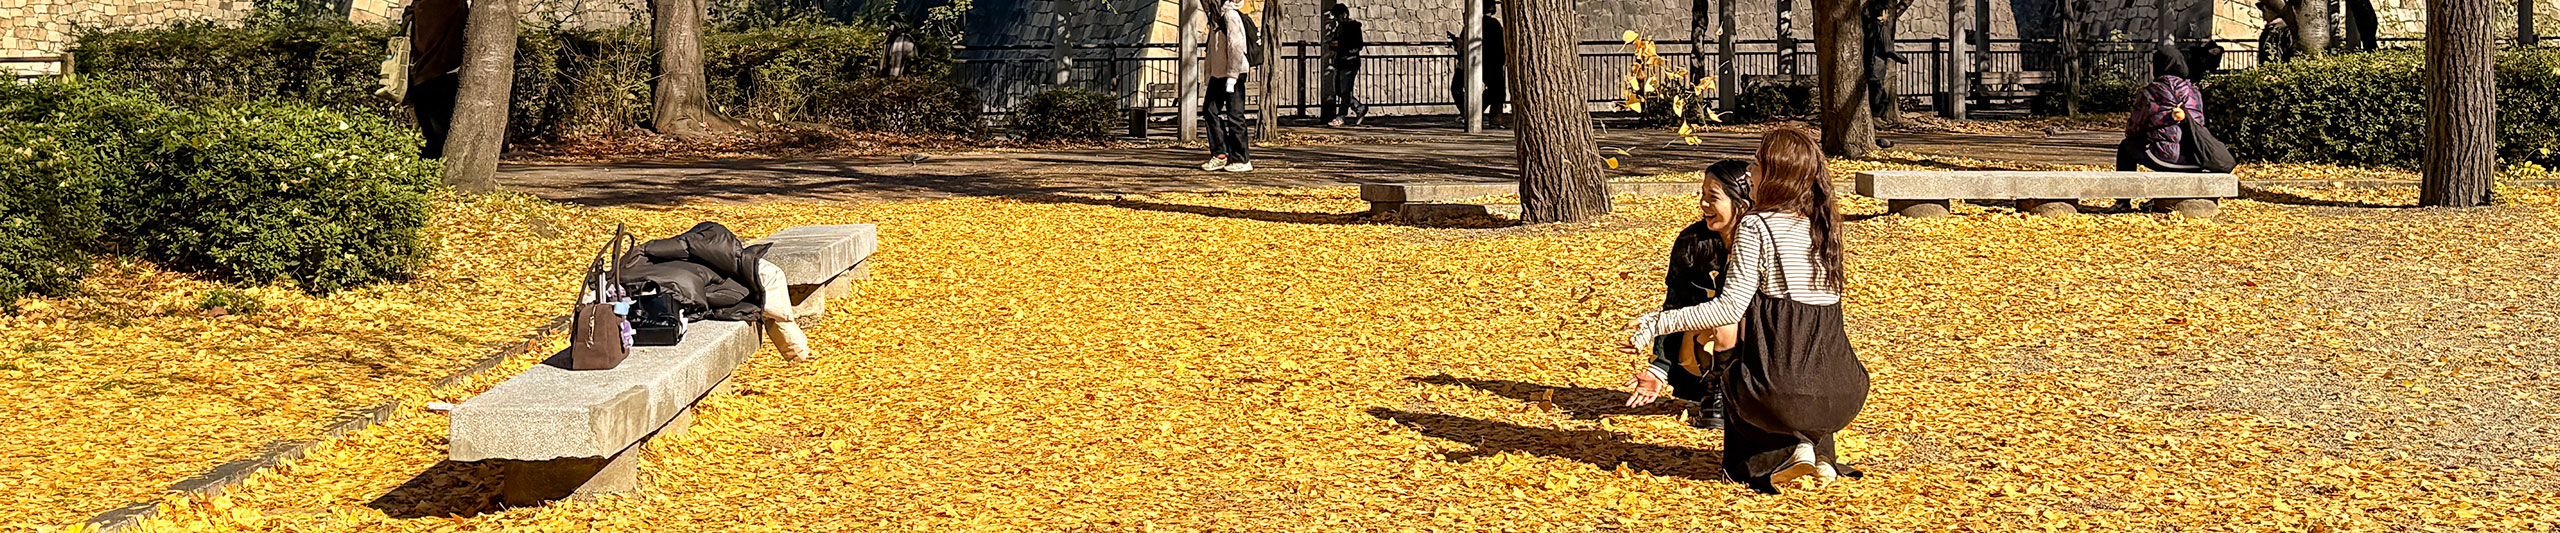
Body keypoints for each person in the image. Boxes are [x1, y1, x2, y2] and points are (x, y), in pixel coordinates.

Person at [1619, 128, 1869, 494]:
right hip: (1845, 390)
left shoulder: (1757, 224)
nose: (1750, 170)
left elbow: (1728, 307)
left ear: (1776, 173)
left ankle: (1780, 457)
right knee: (1792, 368)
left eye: (1757, 162)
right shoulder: (1823, 223)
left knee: (1738, 369)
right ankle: (1815, 453)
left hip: (1776, 394)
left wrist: (1655, 323)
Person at [1623, 160, 1755, 432]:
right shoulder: (1693, 242)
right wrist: (1660, 366)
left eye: (1713, 198)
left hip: (1758, 348)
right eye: (1702, 195)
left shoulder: (1762, 242)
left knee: (1731, 319)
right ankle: (1714, 393)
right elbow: (1676, 300)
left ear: (1741, 202)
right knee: (1719, 321)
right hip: (1702, 345)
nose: (1704, 205)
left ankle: (1748, 396)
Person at [2116, 45, 2208, 174]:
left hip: (2165, 159)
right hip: (2195, 158)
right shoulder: (2194, 92)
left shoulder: (2150, 92)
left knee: (2126, 147)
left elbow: (2134, 129)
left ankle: (2125, 192)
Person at [405, 0, 468, 159]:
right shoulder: (454, 5)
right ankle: (434, 171)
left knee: (429, 133)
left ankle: (426, 172)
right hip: (443, 73)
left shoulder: (419, 5)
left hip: (420, 74)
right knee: (440, 135)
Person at [1200, 0, 1254, 172]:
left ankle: (1241, 159)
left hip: (1233, 73)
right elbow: (1211, 50)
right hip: (1219, 73)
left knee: (1235, 115)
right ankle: (1220, 154)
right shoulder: (1216, 18)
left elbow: (1236, 47)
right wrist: (1209, 74)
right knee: (1209, 110)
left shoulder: (1230, 16)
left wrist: (1232, 76)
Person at [1321, 3, 1367, 127]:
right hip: (1341, 61)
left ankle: (1341, 116)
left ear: (1344, 15)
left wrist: (1340, 45)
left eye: (1338, 16)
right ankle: (1359, 108)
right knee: (1339, 90)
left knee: (1346, 90)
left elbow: (1358, 45)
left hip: (1350, 61)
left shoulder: (1353, 27)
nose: (1337, 19)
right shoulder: (1339, 27)